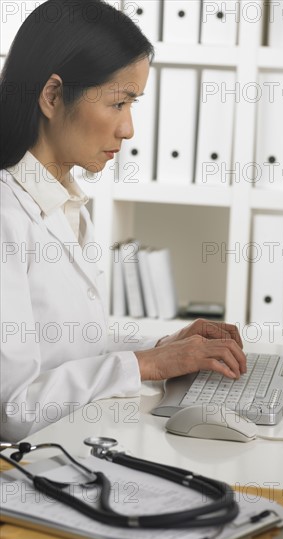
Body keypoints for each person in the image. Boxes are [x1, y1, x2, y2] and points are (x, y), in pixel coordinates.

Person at [0, 0, 246, 442]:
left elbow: (72, 355)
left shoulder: (64, 203)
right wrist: (148, 366)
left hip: (74, 450)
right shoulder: (5, 216)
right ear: (52, 96)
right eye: (118, 103)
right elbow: (12, 409)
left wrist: (165, 348)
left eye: (133, 104)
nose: (128, 129)